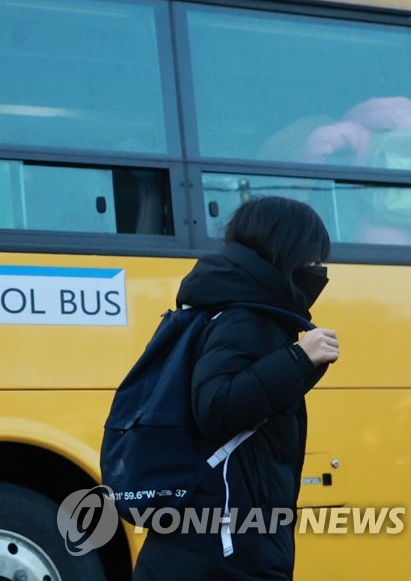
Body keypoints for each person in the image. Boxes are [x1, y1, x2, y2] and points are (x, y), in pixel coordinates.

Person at [134, 197, 340, 581]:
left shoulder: (236, 309)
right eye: (313, 258)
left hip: (216, 544)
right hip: (225, 548)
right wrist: (297, 360)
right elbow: (216, 408)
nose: (319, 271)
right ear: (286, 251)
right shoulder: (243, 317)